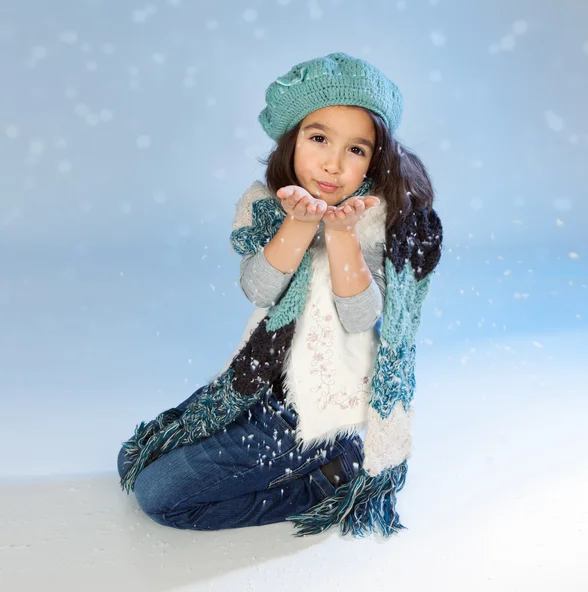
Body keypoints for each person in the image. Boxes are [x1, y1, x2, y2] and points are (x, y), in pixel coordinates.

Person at [117, 51, 443, 538]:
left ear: (376, 159)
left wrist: (340, 235)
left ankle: (327, 477)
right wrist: (300, 223)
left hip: (315, 405)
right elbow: (259, 287)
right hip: (258, 383)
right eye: (319, 139)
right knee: (132, 457)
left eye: (357, 150)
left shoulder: (376, 218)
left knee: (162, 497)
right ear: (291, 141)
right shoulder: (271, 206)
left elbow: (361, 318)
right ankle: (277, 452)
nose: (334, 163)